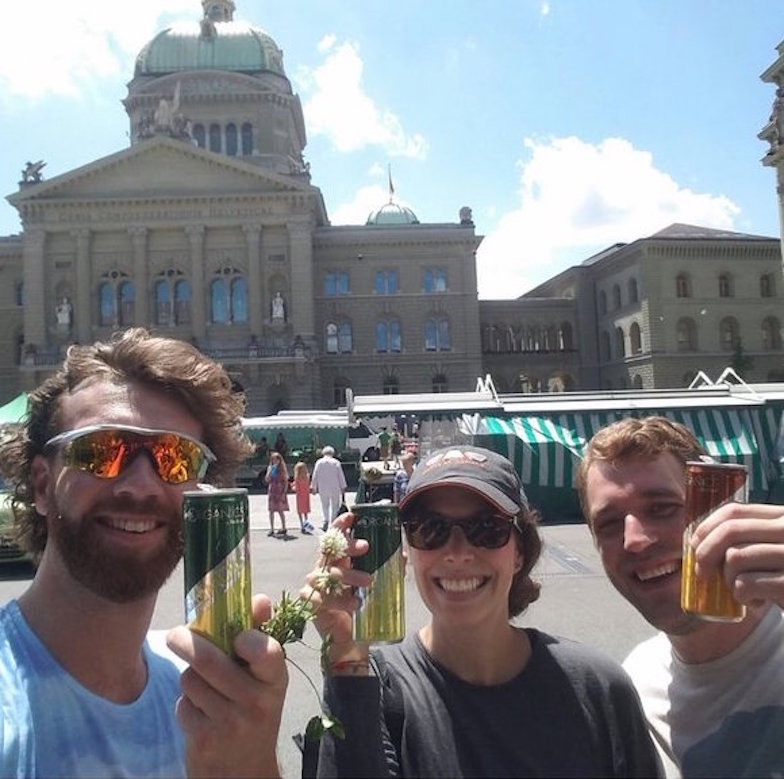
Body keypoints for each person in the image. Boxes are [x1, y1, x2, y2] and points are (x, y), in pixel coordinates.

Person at [0, 328, 287, 777]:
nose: (140, 486)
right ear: (41, 484)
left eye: (176, 458)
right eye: (101, 451)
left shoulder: (204, 696)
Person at [304, 445, 661, 777]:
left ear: (520, 551)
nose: (457, 552)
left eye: (486, 529)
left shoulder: (598, 688)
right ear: (407, 552)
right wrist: (344, 652)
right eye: (431, 529)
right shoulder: (374, 686)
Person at [577, 416, 784, 777]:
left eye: (661, 508)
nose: (634, 540)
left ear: (715, 506)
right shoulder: (634, 688)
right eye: (609, 524)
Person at [310, 445, 347, 532]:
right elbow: (340, 476)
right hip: (335, 488)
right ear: (333, 453)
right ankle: (333, 522)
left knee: (325, 505)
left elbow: (315, 475)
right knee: (335, 506)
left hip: (323, 488)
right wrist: (343, 487)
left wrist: (313, 487)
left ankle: (325, 520)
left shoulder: (319, 462)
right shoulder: (336, 462)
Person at [265, 450, 290, 537]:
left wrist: (284, 492)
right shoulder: (270, 467)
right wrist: (270, 471)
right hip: (272, 489)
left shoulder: (282, 469)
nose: (274, 461)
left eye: (276, 460)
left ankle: (284, 527)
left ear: (280, 460)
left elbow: (286, 482)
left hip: (279, 490)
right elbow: (267, 480)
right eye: (273, 460)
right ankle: (272, 528)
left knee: (280, 510)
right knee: (271, 510)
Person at [294, 460, 314, 534]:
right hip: (306, 495)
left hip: (299, 495)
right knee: (305, 510)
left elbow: (296, 488)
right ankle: (306, 523)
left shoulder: (297, 478)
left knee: (300, 511)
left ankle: (302, 524)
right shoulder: (307, 476)